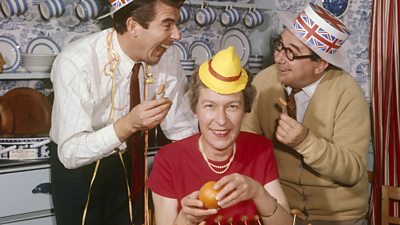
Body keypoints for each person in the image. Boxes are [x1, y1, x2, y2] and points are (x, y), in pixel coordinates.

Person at [49, 0, 198, 224]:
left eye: (176, 24)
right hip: (80, 169)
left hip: (132, 161)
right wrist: (128, 125)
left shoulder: (168, 57)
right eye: (167, 25)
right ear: (133, 25)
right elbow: (70, 153)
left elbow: (181, 127)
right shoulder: (76, 62)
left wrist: (204, 171)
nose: (177, 35)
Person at [241, 3, 370, 225]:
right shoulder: (264, 81)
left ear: (320, 64)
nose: (278, 57)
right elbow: (245, 142)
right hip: (280, 211)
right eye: (280, 45)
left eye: (291, 52)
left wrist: (305, 142)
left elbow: (352, 171)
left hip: (337, 218)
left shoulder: (347, 93)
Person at [147, 46, 294, 225]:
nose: (222, 120)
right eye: (210, 106)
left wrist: (258, 192)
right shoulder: (169, 160)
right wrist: (187, 218)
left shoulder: (260, 149)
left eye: (232, 106)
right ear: (195, 110)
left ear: (245, 111)